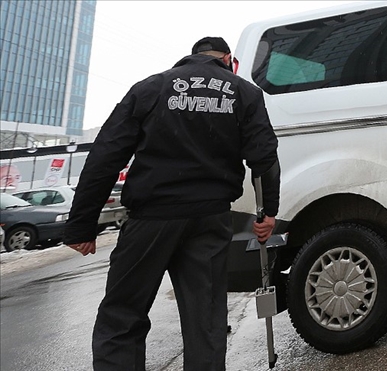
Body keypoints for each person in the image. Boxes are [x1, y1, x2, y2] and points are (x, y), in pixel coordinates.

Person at [63, 36, 280, 371]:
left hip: (152, 218)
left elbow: (106, 155)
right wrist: (267, 214)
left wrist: (82, 225)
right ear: (227, 59)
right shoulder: (244, 93)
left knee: (123, 315)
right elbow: (264, 159)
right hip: (210, 218)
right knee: (206, 321)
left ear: (191, 58)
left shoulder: (151, 88)